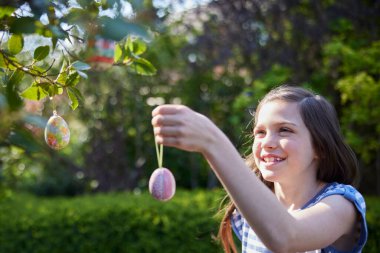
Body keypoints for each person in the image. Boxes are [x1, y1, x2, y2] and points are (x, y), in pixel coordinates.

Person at [151, 85, 368, 253]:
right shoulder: (255, 208)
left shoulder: (342, 205)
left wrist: (213, 141)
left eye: (284, 130)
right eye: (260, 132)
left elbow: (286, 237)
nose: (267, 142)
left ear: (319, 147)